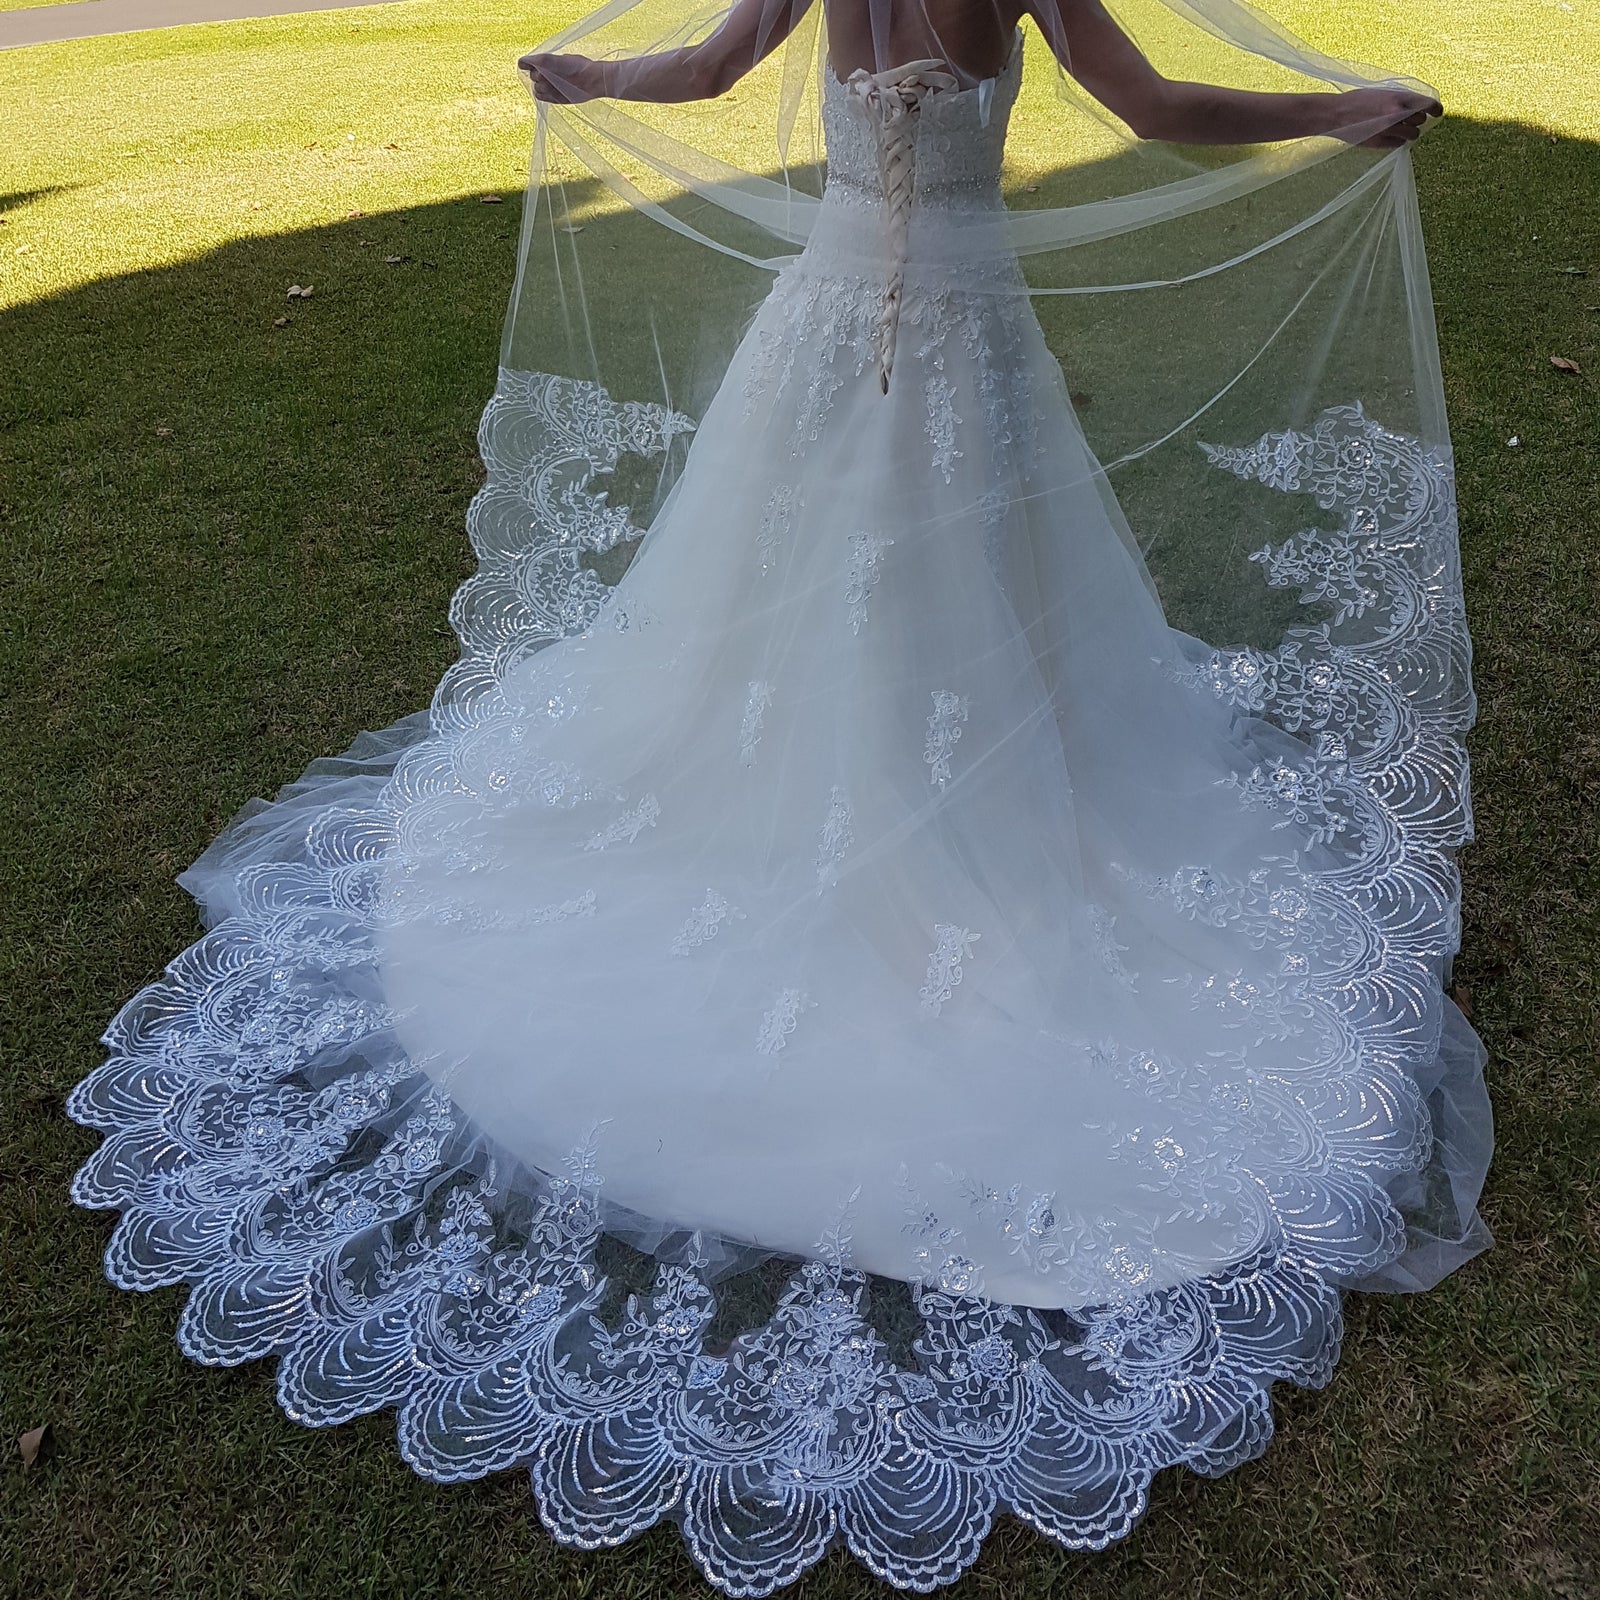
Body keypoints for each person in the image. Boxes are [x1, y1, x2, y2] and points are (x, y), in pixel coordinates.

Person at [70, 0, 1489, 1589]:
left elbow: (703, 68)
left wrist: (592, 75)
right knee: (963, 604)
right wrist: (1336, 109)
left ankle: (810, 808)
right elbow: (1153, 102)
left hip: (825, 330)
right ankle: (977, 837)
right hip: (959, 338)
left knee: (794, 600)